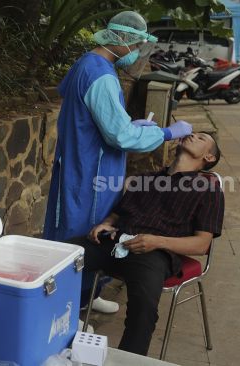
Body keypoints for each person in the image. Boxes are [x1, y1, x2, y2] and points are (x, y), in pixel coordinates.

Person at [42, 10, 194, 313]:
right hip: (91, 171)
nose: (136, 52)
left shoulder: (86, 64)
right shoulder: (101, 77)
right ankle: (72, 302)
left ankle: (85, 294)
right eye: (136, 45)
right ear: (122, 40)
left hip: (78, 160)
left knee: (75, 229)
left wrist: (128, 123)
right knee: (85, 232)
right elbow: (120, 138)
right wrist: (165, 133)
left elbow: (91, 112)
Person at [69, 132, 224, 355]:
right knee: (59, 257)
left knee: (143, 311)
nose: (192, 134)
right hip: (114, 242)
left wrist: (157, 241)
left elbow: (201, 245)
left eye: (201, 138)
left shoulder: (208, 190)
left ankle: (128, 360)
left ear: (208, 157)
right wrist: (107, 222)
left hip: (155, 253)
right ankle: (50, 332)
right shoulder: (146, 179)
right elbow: (119, 212)